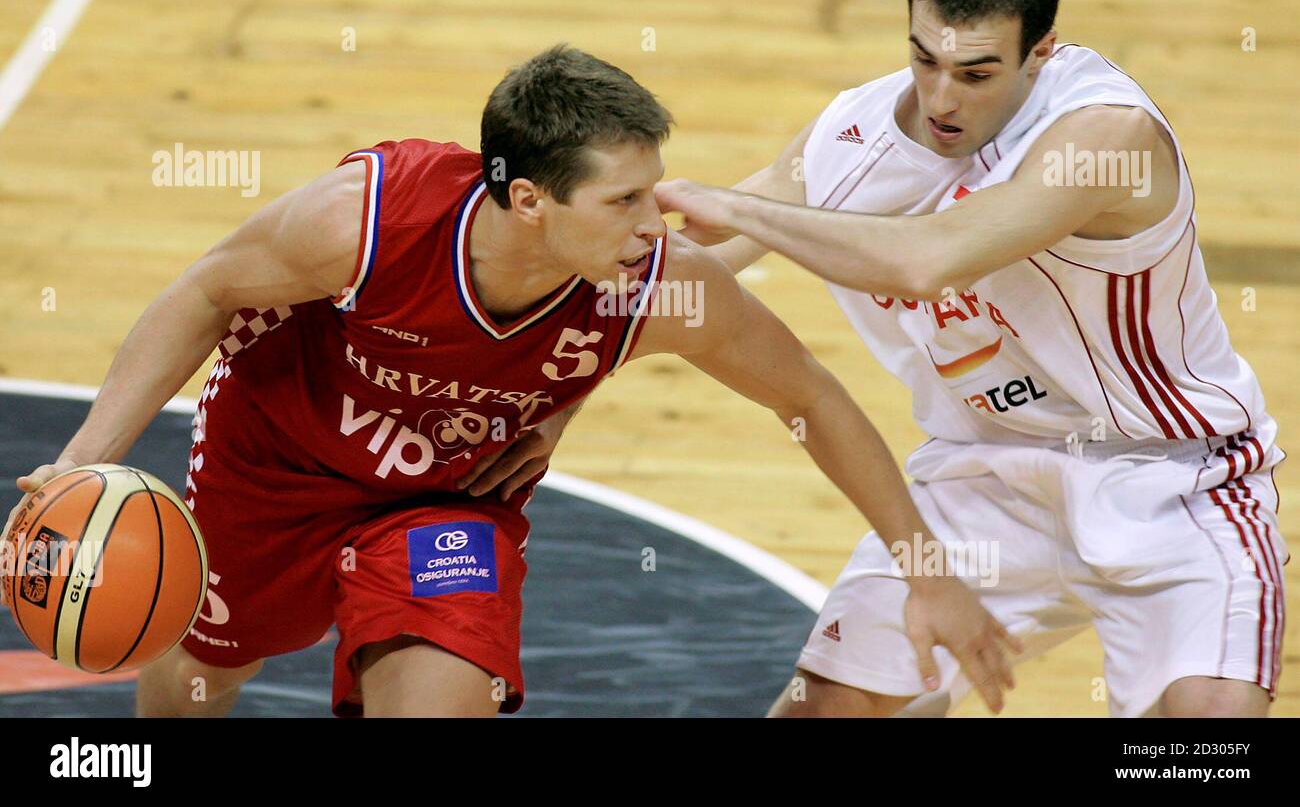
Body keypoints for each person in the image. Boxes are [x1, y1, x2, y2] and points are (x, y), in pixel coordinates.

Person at [7, 45, 1017, 717]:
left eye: (652, 191)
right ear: (528, 199)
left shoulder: (655, 286)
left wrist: (926, 569)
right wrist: (80, 463)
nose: (651, 224)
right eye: (623, 201)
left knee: (442, 700)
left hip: (447, 501)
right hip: (276, 465)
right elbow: (201, 292)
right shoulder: (365, 220)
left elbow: (812, 397)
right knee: (205, 674)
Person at [656, 0, 1287, 718]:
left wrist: (737, 207)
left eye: (978, 74)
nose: (942, 97)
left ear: (1042, 51)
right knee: (821, 712)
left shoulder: (1105, 135)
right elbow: (684, 281)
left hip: (1174, 477)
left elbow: (928, 259)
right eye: (924, 59)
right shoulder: (852, 140)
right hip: (981, 475)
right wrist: (537, 382)